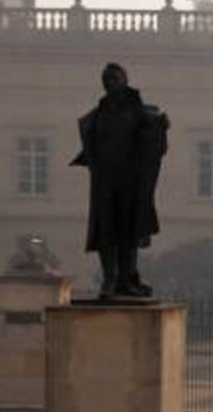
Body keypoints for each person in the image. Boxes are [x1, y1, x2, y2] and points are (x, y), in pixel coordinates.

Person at [70, 63, 170, 299]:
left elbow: (155, 143)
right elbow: (91, 146)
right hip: (105, 183)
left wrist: (161, 128)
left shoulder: (139, 112)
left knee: (128, 234)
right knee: (105, 234)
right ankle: (109, 280)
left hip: (129, 182)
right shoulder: (97, 115)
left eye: (114, 78)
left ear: (125, 80)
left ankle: (126, 279)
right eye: (106, 79)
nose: (109, 82)